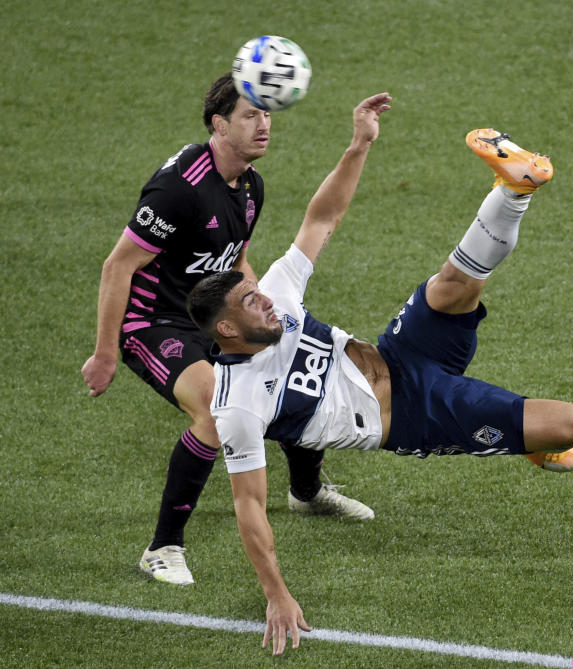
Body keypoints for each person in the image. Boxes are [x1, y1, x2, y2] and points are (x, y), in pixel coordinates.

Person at [186, 92, 573, 654]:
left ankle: (515, 188)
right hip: (415, 416)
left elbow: (322, 217)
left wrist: (359, 145)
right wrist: (276, 594)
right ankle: (524, 442)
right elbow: (249, 509)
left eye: (258, 292)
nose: (267, 303)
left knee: (455, 285)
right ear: (227, 331)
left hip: (398, 355)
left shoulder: (275, 295)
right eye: (251, 304)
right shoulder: (236, 405)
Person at [80, 73, 373, 588]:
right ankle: (163, 547)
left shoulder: (250, 186)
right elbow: (117, 267)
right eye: (251, 116)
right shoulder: (178, 189)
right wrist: (105, 353)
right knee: (215, 408)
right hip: (153, 323)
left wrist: (262, 304)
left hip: (215, 314)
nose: (265, 126)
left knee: (290, 364)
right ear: (219, 124)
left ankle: (305, 492)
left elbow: (233, 258)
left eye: (267, 115)